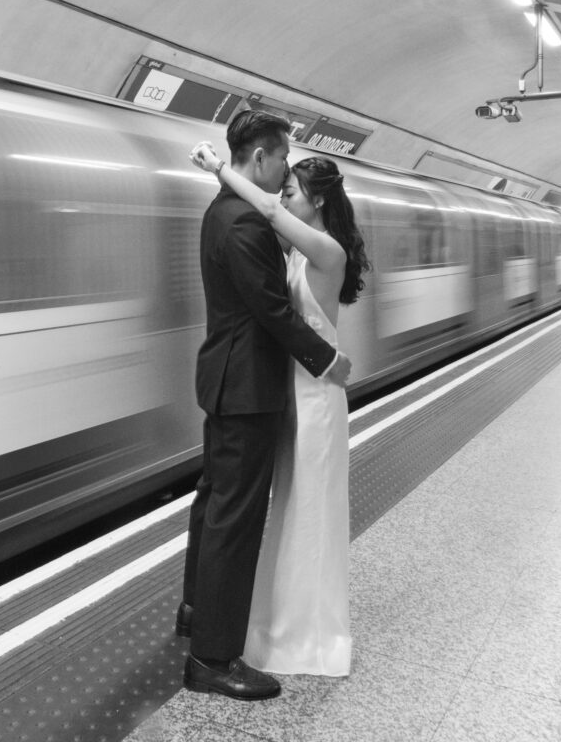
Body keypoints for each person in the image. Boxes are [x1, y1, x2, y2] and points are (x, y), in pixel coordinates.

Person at [178, 110, 352, 701]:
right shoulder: (247, 226)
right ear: (260, 158)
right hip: (247, 388)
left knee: (213, 504)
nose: (283, 172)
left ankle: (197, 611)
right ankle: (212, 658)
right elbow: (274, 314)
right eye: (282, 159)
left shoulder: (223, 211)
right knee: (235, 518)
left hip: (228, 381)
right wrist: (328, 361)